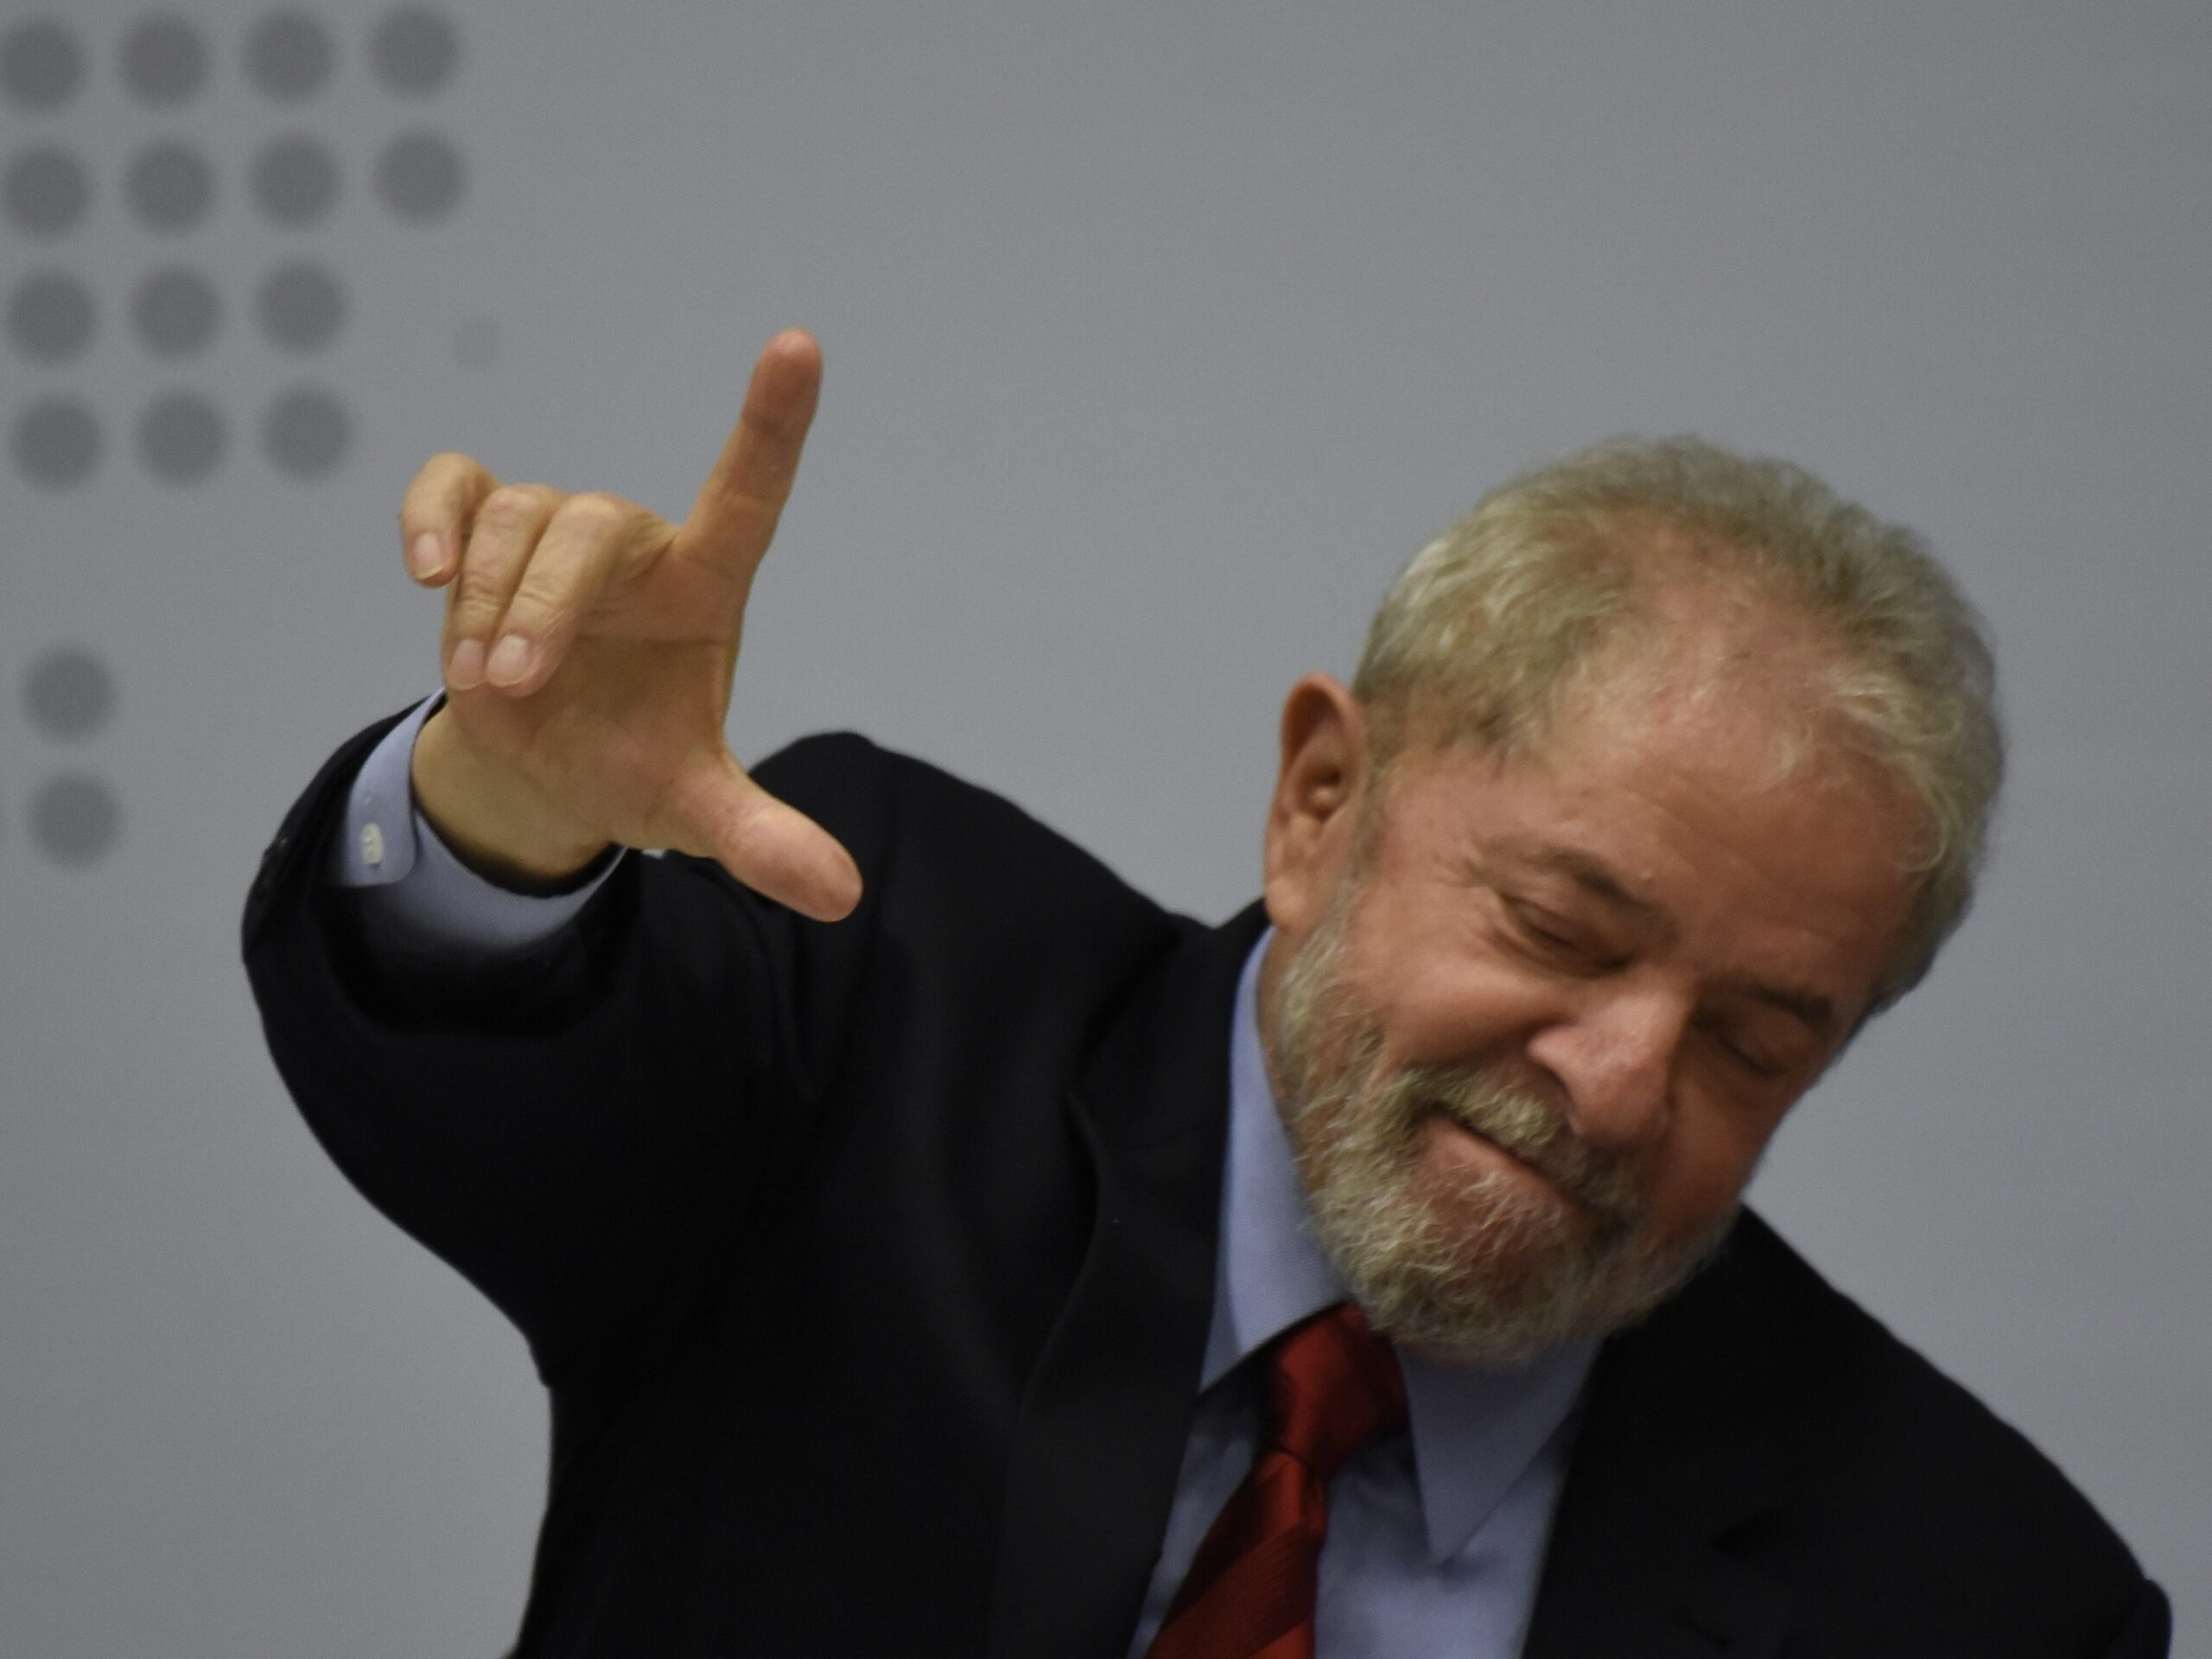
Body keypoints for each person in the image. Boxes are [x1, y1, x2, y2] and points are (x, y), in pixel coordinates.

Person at [240, 329, 2170, 1656]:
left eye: (1751, 1042)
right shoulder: (882, 1007)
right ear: (1322, 803)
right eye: (1561, 931)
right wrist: (507, 831)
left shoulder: (1976, 1598)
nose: (1616, 1083)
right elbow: (489, 1074)